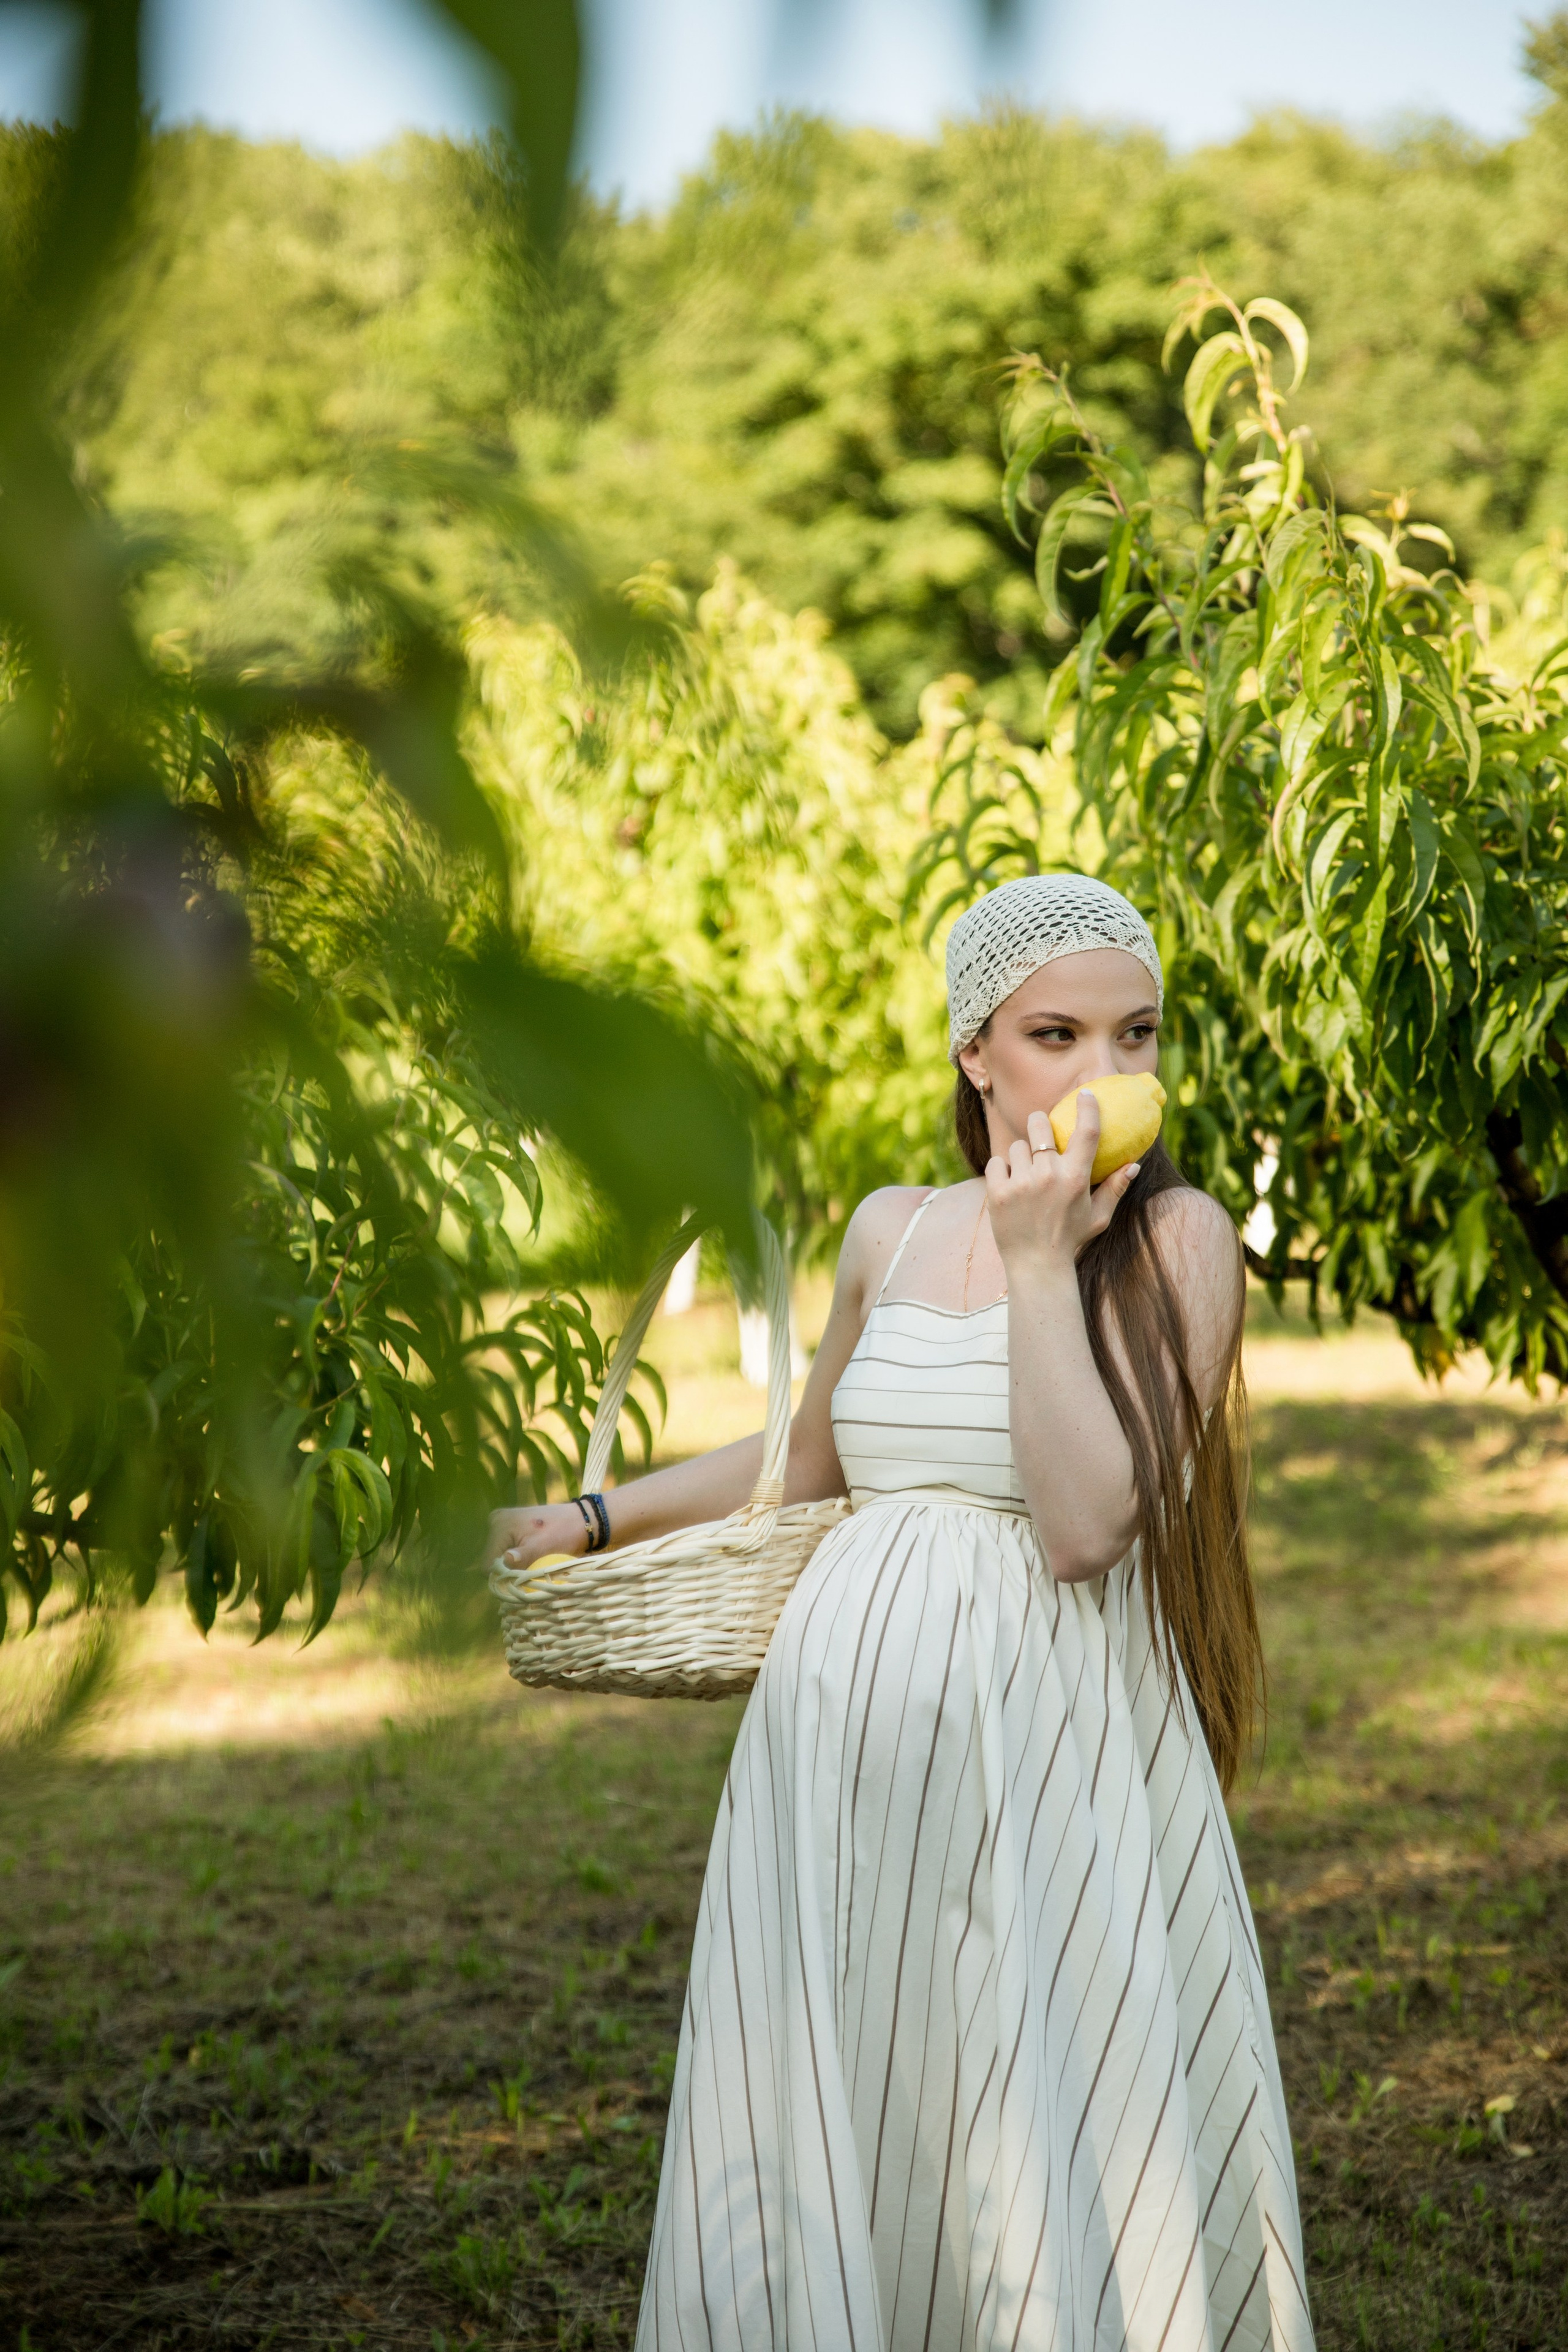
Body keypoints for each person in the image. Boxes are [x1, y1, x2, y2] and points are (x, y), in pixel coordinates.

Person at [484, 872, 1314, 2352]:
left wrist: (1039, 1258)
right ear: (973, 1053)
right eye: (1055, 1034)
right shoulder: (886, 1226)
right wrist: (596, 1514)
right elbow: (808, 1460)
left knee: (1028, 2102)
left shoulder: (1181, 1247)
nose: (1104, 1073)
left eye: (1136, 1036)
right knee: (864, 2103)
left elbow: (1080, 1528)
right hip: (833, 1781)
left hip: (1044, 1760)